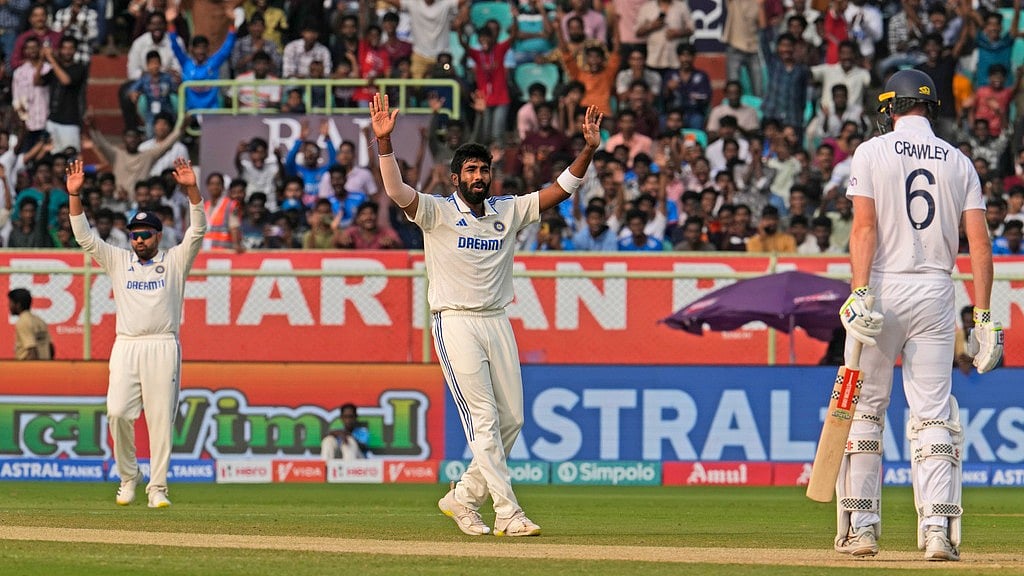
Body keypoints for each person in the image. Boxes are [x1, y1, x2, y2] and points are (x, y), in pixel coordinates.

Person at [369, 93, 603, 537]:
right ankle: (508, 512)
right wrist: (385, 144)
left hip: (497, 320)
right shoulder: (437, 211)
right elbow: (397, 191)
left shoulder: (506, 210)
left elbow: (559, 191)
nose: (479, 177)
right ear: (455, 177)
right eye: (471, 171)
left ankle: (462, 497)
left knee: (513, 418)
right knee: (485, 420)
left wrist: (588, 149)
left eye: (484, 170)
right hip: (455, 321)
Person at [836, 69, 1001, 561]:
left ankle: (862, 530)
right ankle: (937, 533)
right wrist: (986, 318)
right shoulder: (959, 161)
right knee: (934, 416)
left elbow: (863, 228)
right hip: (936, 290)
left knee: (867, 412)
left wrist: (859, 291)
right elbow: (980, 243)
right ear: (930, 107)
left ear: (890, 108)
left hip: (884, 286)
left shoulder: (871, 151)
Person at [67, 157, 207, 509]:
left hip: (162, 344)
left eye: (145, 234)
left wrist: (192, 190)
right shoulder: (118, 260)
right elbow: (84, 238)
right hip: (126, 345)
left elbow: (198, 230)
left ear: (157, 236)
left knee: (160, 419)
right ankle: (128, 477)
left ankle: (157, 488)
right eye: (134, 234)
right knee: (116, 411)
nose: (139, 239)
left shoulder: (175, 261)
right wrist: (75, 196)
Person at [8, 288, 53, 360]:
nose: (9, 306)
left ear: (18, 305)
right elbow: (50, 348)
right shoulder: (39, 320)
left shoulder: (22, 322)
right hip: (44, 365)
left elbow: (32, 350)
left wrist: (32, 369)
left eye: (10, 302)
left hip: (28, 367)